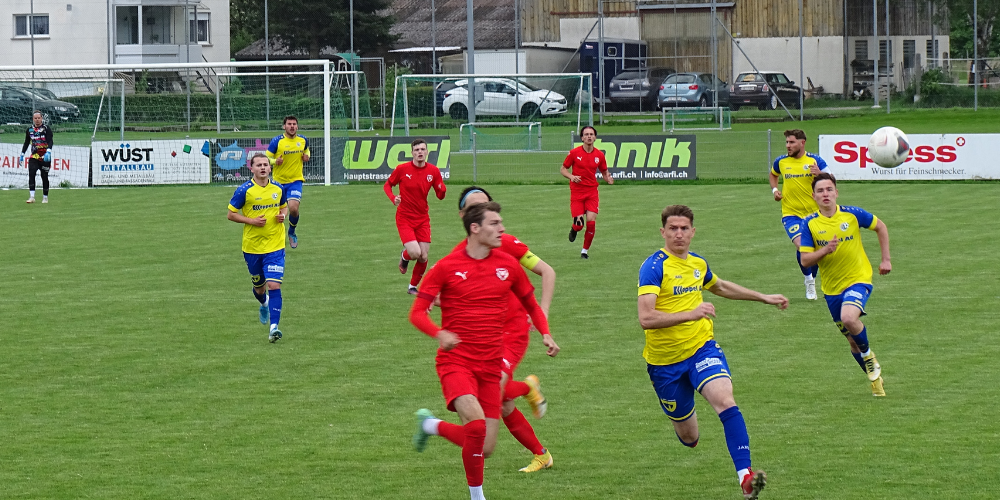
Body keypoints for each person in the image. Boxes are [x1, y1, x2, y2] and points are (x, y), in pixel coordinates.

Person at [637, 205, 788, 500]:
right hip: (664, 364)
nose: (679, 234)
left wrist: (763, 297)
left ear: (693, 232)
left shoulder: (698, 264)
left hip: (701, 349)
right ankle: (687, 424)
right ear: (662, 232)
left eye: (684, 228)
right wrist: (690, 313)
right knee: (689, 437)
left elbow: (719, 286)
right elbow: (646, 317)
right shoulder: (654, 267)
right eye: (673, 228)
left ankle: (746, 478)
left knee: (725, 399)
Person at [408, 202, 557, 500]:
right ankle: (478, 497)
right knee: (476, 426)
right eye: (494, 223)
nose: (502, 228)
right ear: (475, 228)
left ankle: (430, 425)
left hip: (490, 366)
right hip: (456, 362)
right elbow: (417, 313)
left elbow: (530, 304)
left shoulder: (508, 265)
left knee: (485, 447)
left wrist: (545, 332)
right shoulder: (447, 266)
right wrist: (440, 333)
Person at [799, 173, 891, 396]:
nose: (825, 194)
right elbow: (805, 260)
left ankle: (869, 357)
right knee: (852, 342)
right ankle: (876, 380)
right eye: (820, 191)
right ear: (813, 196)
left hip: (858, 279)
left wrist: (886, 259)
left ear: (836, 193)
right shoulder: (809, 224)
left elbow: (881, 227)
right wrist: (825, 250)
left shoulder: (853, 214)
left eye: (829, 189)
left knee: (849, 318)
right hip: (832, 289)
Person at [227, 153, 289, 343]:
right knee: (260, 289)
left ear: (270, 168)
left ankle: (274, 328)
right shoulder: (244, 191)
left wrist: (283, 215)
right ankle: (263, 304)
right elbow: (231, 214)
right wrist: (251, 221)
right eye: (259, 165)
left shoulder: (278, 188)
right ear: (251, 168)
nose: (263, 168)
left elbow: (284, 206)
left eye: (265, 165)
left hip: (275, 245)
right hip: (252, 247)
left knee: (274, 285)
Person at [769, 129, 829, 300]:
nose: (788, 146)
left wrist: (820, 174)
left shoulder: (815, 161)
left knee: (814, 249)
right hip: (791, 214)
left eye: (792, 142)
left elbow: (831, 179)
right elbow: (773, 175)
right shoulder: (781, 161)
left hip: (815, 214)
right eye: (787, 142)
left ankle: (812, 278)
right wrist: (775, 190)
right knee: (802, 245)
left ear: (802, 143)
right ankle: (809, 280)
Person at [384, 138, 447, 294]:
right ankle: (405, 256)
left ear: (427, 152)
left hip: (422, 219)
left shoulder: (433, 171)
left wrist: (442, 189)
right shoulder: (402, 169)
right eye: (417, 150)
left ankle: (412, 287)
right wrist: (393, 198)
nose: (420, 152)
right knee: (415, 253)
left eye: (422, 149)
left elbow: (440, 195)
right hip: (404, 218)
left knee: (423, 256)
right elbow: (388, 185)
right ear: (412, 153)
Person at [561, 125, 613, 259]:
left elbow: (604, 171)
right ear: (582, 138)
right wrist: (572, 177)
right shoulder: (574, 153)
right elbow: (563, 169)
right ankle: (574, 229)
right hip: (577, 192)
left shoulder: (599, 155)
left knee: (591, 222)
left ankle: (584, 251)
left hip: (592, 192)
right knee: (579, 225)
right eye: (586, 134)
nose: (589, 136)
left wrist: (608, 178)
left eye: (591, 134)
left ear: (595, 137)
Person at [265, 116, 310, 248]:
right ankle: (273, 237)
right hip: (278, 183)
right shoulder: (277, 141)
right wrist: (275, 161)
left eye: (294, 124)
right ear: (284, 126)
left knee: (293, 209)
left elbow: (306, 150)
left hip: (295, 181)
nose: (292, 126)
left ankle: (291, 232)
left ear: (297, 126)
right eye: (289, 124)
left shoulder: (303, 140)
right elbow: (266, 158)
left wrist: (307, 156)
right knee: (274, 213)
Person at [21, 111, 54, 204]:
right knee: (31, 173)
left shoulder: (46, 129)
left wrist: (48, 151)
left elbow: (50, 141)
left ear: (41, 118)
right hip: (34, 156)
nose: (37, 120)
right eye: (35, 118)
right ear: (33, 119)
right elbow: (26, 142)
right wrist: (22, 154)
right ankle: (32, 197)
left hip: (45, 156)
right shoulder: (29, 130)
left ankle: (45, 197)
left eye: (39, 118)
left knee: (44, 176)